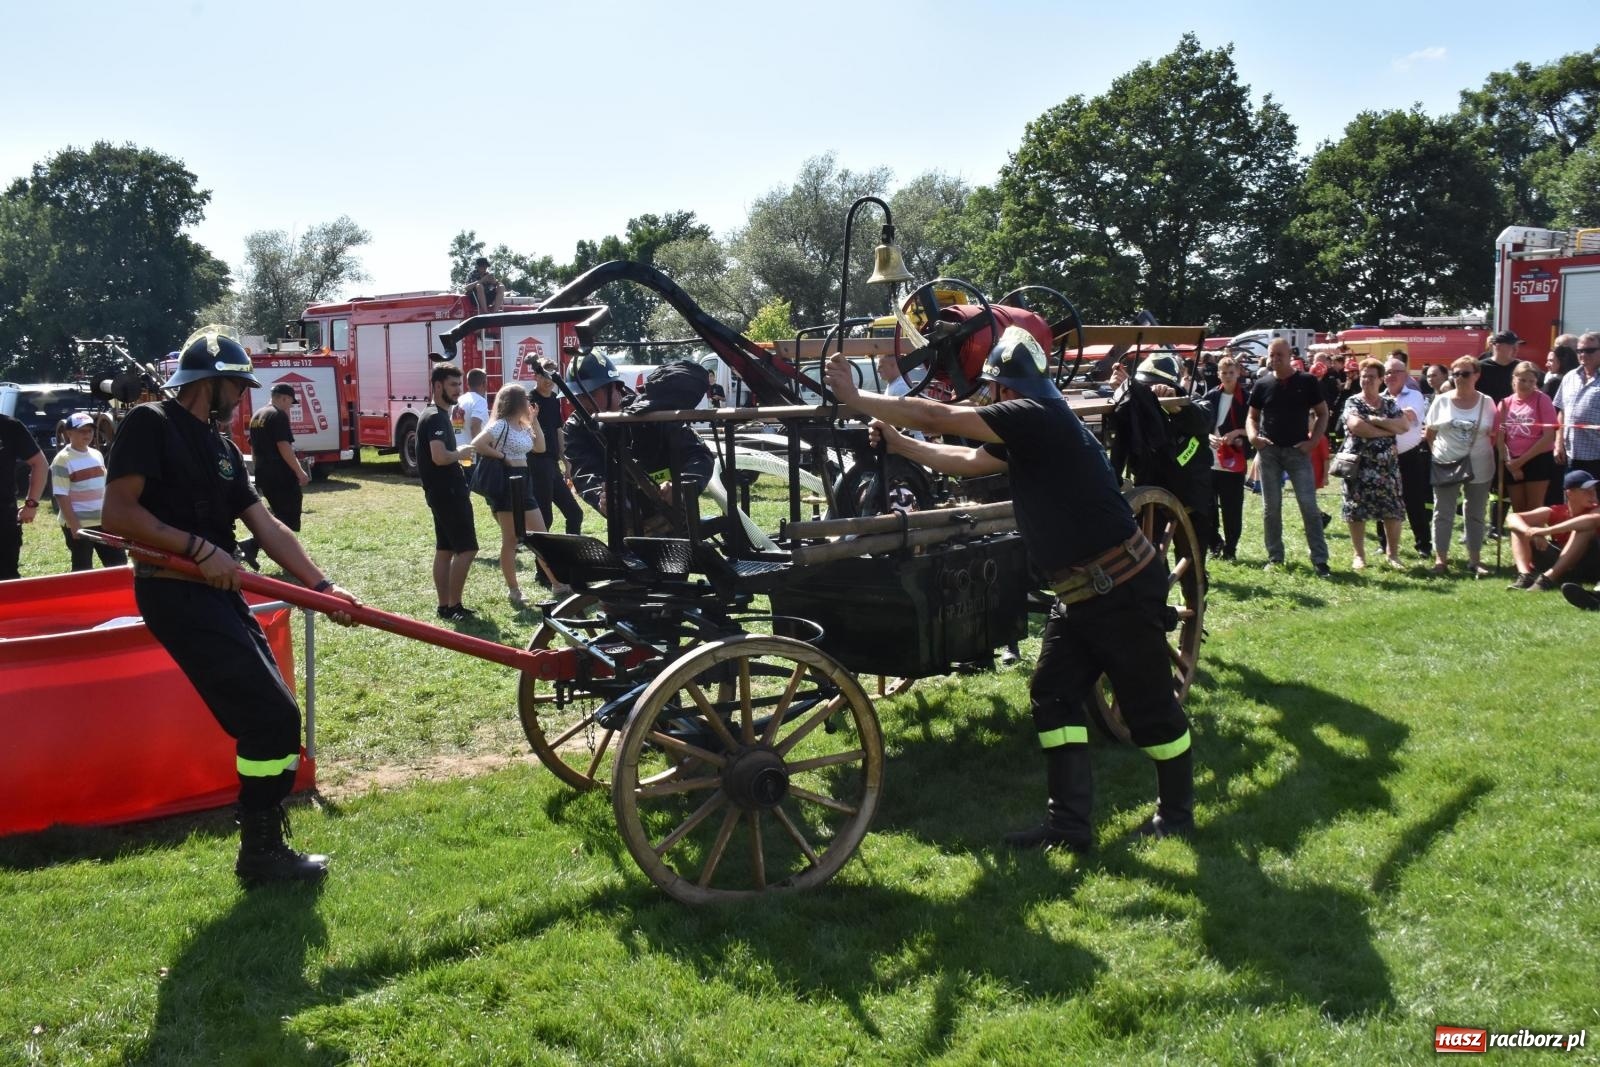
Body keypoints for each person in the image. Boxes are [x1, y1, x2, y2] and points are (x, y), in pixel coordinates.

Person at [823, 326, 1197, 851]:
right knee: (1054, 696)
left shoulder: (1034, 416)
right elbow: (971, 461)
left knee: (1151, 709)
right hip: (1082, 594)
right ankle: (1068, 826)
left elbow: (940, 416)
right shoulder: (1037, 426)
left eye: (989, 389)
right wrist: (900, 441)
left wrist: (858, 397)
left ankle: (1177, 815)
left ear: (1002, 389)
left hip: (1120, 590)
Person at [102, 326, 356, 887]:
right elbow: (118, 513)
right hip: (173, 588)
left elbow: (266, 526)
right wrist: (196, 548)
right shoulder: (151, 425)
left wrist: (322, 584)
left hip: (219, 591)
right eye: (236, 385)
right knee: (271, 718)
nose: (243, 396)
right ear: (211, 383)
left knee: (274, 718)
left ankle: (261, 844)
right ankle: (260, 851)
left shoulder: (221, 449)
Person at [563, 353, 712, 532]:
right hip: (626, 526)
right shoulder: (577, 427)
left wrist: (681, 487)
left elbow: (698, 456)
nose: (582, 402)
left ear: (613, 387)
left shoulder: (653, 412)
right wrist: (600, 497)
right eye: (577, 396)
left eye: (590, 394)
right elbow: (584, 472)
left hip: (676, 517)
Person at [470, 383, 564, 606]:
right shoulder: (500, 425)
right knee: (510, 540)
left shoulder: (523, 426)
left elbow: (539, 447)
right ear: (516, 402)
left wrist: (534, 420)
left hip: (525, 481)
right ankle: (514, 590)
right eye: (525, 399)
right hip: (506, 482)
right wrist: (501, 456)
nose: (529, 402)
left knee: (540, 536)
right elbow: (477, 444)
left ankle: (558, 584)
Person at [1247, 337, 1332, 576]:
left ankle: (1320, 560)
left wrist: (1313, 441)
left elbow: (1323, 413)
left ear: (1289, 355)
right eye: (1272, 355)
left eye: (1279, 355)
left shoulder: (1307, 381)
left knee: (1308, 505)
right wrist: (1254, 437)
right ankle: (1275, 557)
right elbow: (1252, 416)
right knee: (1270, 508)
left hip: (1297, 452)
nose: (1275, 359)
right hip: (1270, 452)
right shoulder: (1262, 384)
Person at [1425, 356, 1499, 578]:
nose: (1459, 378)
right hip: (1445, 462)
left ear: (1476, 375)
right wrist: (1439, 454)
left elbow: (1493, 434)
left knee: (1475, 513)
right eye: (1455, 374)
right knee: (1443, 512)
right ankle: (1441, 560)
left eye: (1464, 374)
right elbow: (1430, 433)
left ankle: (1474, 559)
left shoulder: (1487, 402)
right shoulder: (1442, 400)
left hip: (1480, 463)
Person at [419, 363, 480, 620]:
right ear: (437, 386)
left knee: (444, 550)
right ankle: (454, 606)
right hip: (449, 492)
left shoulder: (436, 414)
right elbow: (439, 457)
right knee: (467, 549)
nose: (458, 390)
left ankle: (444, 606)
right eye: (453, 385)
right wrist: (461, 453)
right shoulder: (435, 417)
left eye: (459, 384)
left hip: (440, 492)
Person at [1336, 359, 1408, 570]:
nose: (1366, 380)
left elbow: (1404, 425)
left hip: (1387, 469)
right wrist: (1388, 430)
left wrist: (1374, 419)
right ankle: (1359, 555)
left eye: (1371, 377)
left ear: (1380, 380)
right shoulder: (1353, 402)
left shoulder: (1390, 404)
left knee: (1392, 510)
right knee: (1356, 510)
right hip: (1359, 467)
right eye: (1363, 376)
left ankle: (1392, 555)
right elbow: (1357, 427)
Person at [239, 383, 310, 570]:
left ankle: (255, 546)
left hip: (264, 472)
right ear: (284, 398)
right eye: (290, 402)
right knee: (288, 515)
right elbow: (284, 446)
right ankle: (253, 545)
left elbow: (253, 447)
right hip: (280, 473)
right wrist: (299, 471)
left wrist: (257, 469)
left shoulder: (258, 415)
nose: (290, 406)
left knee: (279, 514)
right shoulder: (278, 416)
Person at [50, 411, 127, 571]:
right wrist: (74, 525)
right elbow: (61, 495)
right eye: (81, 431)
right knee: (83, 567)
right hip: (80, 523)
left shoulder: (97, 454)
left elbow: (104, 487)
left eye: (90, 430)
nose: (87, 434)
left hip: (103, 521)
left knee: (118, 563)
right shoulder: (62, 460)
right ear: (69, 433)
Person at [1506, 470, 1600, 592]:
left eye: (1593, 489)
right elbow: (1512, 517)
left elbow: (1590, 520)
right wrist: (1530, 531)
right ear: (1569, 493)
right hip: (1562, 561)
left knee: (1584, 529)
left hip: (1590, 564)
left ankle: (1547, 579)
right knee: (1517, 528)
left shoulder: (1596, 510)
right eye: (1585, 490)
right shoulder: (1557, 510)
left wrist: (1545, 531)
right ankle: (1525, 576)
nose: (1592, 493)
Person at [1382, 356, 1433, 558]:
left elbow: (1412, 417)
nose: (1391, 376)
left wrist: (1382, 418)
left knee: (1414, 502)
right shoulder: (1379, 397)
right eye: (1387, 372)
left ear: (1405, 375)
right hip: (1385, 457)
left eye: (1396, 372)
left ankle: (1423, 545)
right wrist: (1399, 416)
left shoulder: (1414, 395)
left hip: (1409, 456)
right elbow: (1404, 417)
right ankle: (1383, 543)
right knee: (1384, 501)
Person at [1202, 355, 1249, 561]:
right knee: (1207, 506)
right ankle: (1214, 542)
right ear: (1218, 374)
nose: (1228, 376)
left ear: (1238, 373)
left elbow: (1255, 427)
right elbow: (1202, 423)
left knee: (1232, 508)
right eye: (1224, 373)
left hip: (1234, 461)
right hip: (1211, 460)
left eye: (1231, 373)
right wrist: (1208, 435)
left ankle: (1230, 548)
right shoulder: (1211, 395)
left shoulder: (1247, 398)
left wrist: (1237, 432)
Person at [528, 361, 584, 536]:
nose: (549, 380)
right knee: (545, 519)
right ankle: (543, 559)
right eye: (545, 375)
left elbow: (558, 429)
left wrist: (565, 460)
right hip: (537, 463)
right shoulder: (530, 401)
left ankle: (573, 553)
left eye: (552, 376)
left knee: (575, 513)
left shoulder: (553, 399)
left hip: (552, 463)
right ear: (535, 376)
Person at [1498, 360, 1558, 517]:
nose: (1526, 385)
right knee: (1519, 510)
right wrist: (1510, 463)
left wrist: (1521, 461)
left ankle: (1536, 541)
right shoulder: (1505, 403)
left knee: (1533, 509)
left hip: (1537, 459)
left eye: (1531, 381)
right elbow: (1499, 437)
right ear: (1514, 379)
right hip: (1512, 461)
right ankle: (1521, 541)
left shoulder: (1542, 400)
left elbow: (1548, 436)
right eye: (1522, 380)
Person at [2, 410, 48, 581]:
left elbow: (40, 464)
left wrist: (31, 504)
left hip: (3, 521)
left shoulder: (9, 426)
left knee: (6, 581)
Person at [1554, 332, 1600, 485]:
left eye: (1589, 350)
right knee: (1573, 502)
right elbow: (1562, 411)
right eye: (1580, 351)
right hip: (1570, 455)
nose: (1583, 354)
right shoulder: (1570, 377)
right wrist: (1558, 442)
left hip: (1596, 455)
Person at [1477, 331, 1523, 404]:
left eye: (1517, 346)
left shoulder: (1521, 367)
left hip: (1513, 413)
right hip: (1487, 412)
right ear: (1498, 347)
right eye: (1512, 346)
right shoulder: (1479, 367)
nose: (1516, 350)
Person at [456, 368, 489, 441]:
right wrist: (481, 450)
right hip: (471, 450)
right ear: (484, 384)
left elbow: (457, 428)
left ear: (467, 384)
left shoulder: (459, 400)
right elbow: (475, 428)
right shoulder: (480, 401)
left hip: (457, 448)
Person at [1544, 335, 1579, 400]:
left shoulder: (1581, 375)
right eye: (1555, 348)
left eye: (1561, 350)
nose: (1555, 352)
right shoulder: (1549, 376)